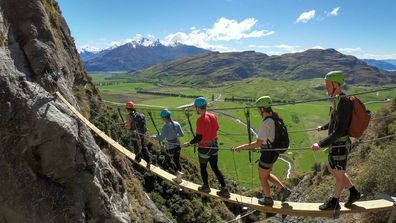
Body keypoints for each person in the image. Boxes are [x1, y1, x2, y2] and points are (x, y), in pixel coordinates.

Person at [311, 71, 362, 210]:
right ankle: (354, 192)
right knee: (332, 168)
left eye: (327, 84)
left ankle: (334, 202)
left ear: (335, 85)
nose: (325, 87)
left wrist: (320, 143)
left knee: (338, 174)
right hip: (336, 143)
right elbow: (335, 122)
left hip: (340, 143)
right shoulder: (338, 99)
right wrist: (323, 127)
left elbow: (340, 130)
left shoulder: (344, 102)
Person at [234, 96, 291, 206]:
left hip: (267, 154)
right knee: (267, 174)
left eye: (258, 109)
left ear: (262, 109)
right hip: (273, 153)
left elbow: (258, 143)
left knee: (262, 177)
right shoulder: (275, 119)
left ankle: (268, 199)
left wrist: (241, 147)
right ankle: (284, 189)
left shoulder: (266, 123)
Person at [183, 97, 230, 198]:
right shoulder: (213, 116)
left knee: (203, 167)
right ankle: (224, 188)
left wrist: (189, 143)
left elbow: (199, 137)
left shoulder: (200, 120)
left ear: (198, 107)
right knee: (215, 168)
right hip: (214, 146)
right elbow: (216, 128)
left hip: (205, 148)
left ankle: (206, 186)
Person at [153, 109, 185, 183]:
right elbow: (182, 134)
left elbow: (161, 138)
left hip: (170, 147)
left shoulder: (166, 126)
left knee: (168, 161)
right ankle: (179, 176)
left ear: (164, 118)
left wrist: (154, 136)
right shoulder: (177, 123)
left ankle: (177, 174)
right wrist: (174, 135)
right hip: (177, 145)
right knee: (177, 161)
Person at [125, 101, 151, 168]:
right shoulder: (141, 115)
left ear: (127, 109)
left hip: (135, 135)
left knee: (136, 147)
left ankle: (138, 158)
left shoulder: (128, 116)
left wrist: (126, 126)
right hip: (141, 133)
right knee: (143, 146)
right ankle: (148, 161)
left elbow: (129, 127)